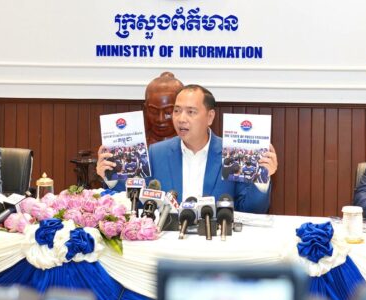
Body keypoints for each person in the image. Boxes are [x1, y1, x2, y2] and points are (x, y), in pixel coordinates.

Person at [96, 84, 277, 213]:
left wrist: (261, 180)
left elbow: (252, 211)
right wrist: (111, 178)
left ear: (210, 117)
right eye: (177, 111)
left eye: (191, 112)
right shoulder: (156, 153)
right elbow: (135, 204)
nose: (181, 119)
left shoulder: (233, 154)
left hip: (217, 245)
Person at [143, 71, 184, 145]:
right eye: (154, 111)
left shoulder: (192, 144)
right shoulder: (137, 143)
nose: (160, 119)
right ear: (146, 110)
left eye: (168, 111)